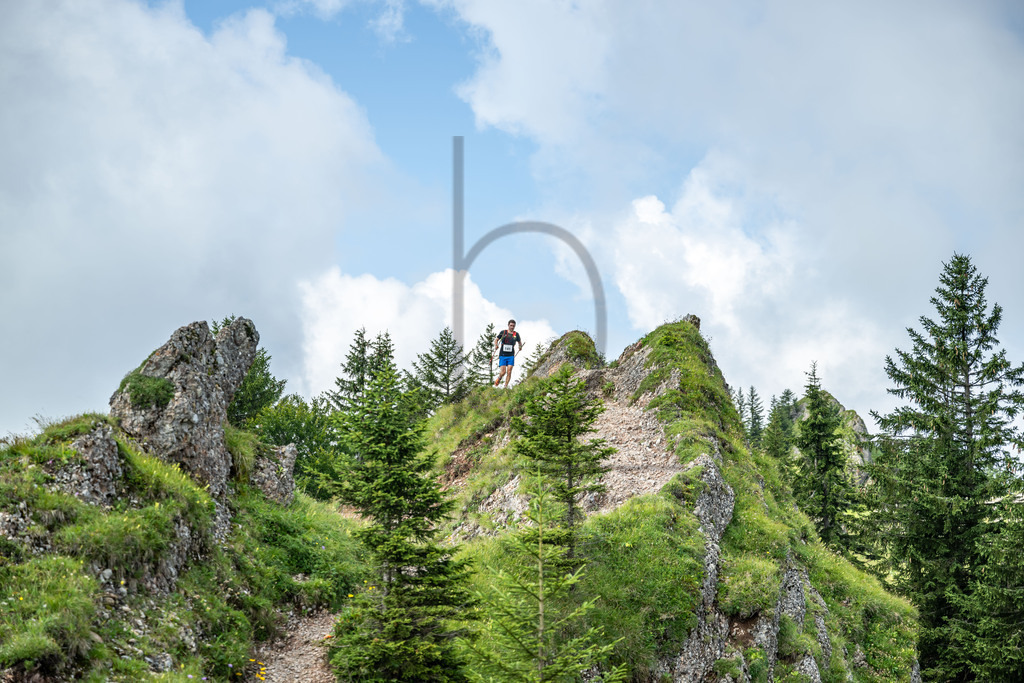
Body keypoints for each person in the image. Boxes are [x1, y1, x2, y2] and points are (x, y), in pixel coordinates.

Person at [493, 319, 523, 388]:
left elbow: (519, 342)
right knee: (503, 372)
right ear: (508, 325)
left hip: (511, 355)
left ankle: (505, 386)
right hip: (503, 355)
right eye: (511, 325)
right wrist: (496, 345)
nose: (512, 327)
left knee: (509, 371)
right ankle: (498, 379)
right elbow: (496, 339)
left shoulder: (516, 334)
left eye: (513, 326)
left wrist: (520, 346)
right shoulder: (503, 332)